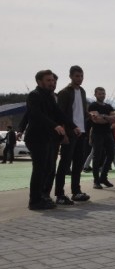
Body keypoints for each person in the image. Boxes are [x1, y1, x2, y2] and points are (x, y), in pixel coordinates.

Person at [24, 70, 69, 210]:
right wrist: (54, 125)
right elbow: (37, 115)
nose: (52, 83)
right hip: (36, 138)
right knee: (39, 169)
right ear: (39, 81)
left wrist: (73, 127)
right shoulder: (34, 95)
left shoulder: (49, 96)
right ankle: (34, 201)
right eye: (48, 80)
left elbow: (59, 113)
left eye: (53, 80)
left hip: (47, 138)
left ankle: (43, 196)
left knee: (49, 168)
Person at [55, 65, 91, 204]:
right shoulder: (64, 93)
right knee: (64, 164)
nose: (80, 79)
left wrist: (90, 115)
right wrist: (64, 134)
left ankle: (76, 191)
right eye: (77, 76)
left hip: (81, 132)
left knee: (78, 164)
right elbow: (61, 114)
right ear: (70, 76)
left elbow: (81, 111)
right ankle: (59, 194)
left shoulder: (82, 91)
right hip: (70, 132)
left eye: (81, 76)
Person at [87, 87, 115, 189]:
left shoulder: (108, 106)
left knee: (111, 154)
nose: (102, 95)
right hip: (97, 133)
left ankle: (103, 177)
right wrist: (107, 118)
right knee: (97, 156)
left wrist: (103, 116)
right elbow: (96, 120)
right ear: (95, 95)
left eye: (103, 93)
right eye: (100, 94)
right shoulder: (93, 105)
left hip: (107, 133)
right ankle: (96, 181)